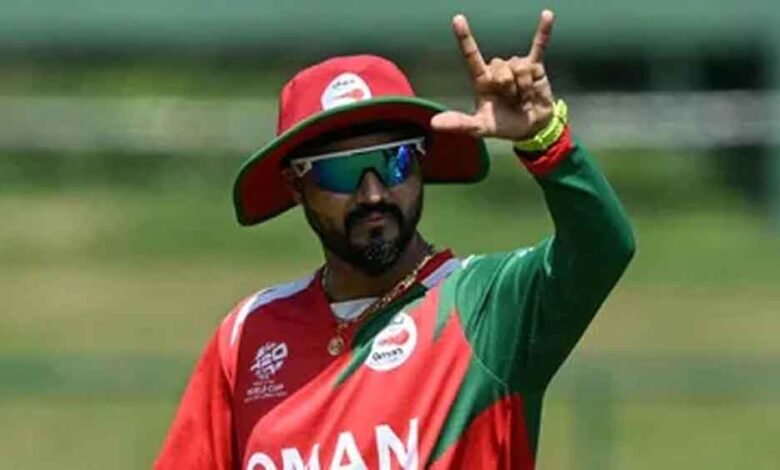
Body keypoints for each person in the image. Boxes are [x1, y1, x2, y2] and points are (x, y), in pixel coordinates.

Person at [155, 10, 635, 470]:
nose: (373, 194)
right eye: (341, 172)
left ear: (423, 162)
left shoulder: (487, 307)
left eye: (395, 161)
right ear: (295, 186)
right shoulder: (248, 334)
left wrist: (546, 140)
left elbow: (603, 248)